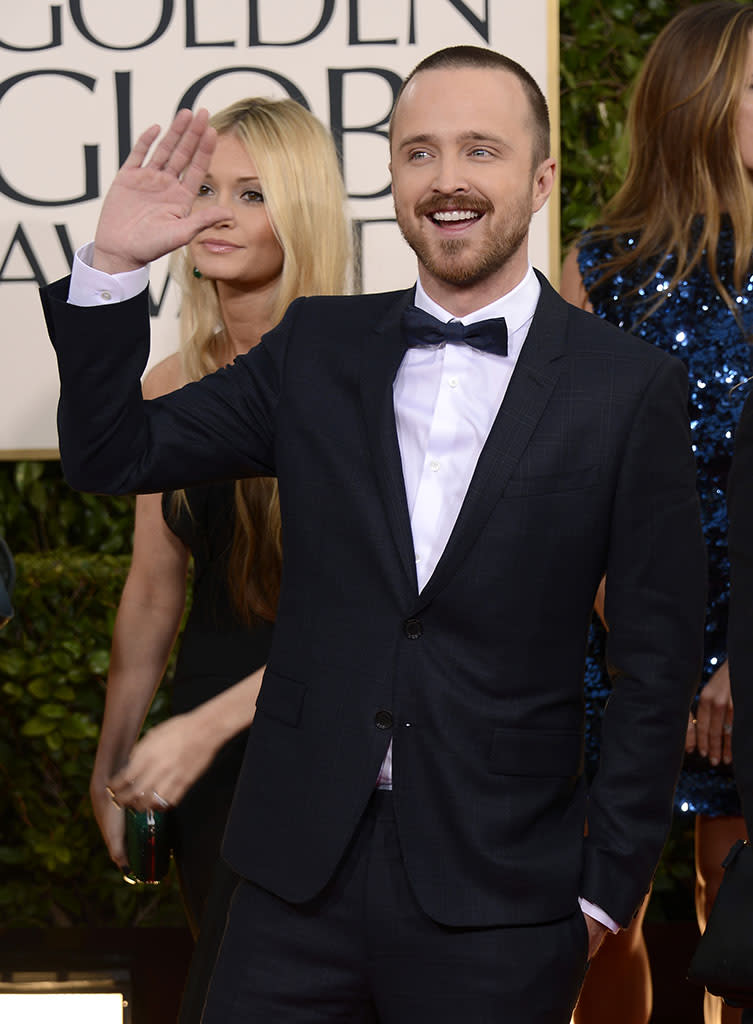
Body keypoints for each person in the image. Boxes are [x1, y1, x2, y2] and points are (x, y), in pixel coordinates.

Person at [41, 45, 707, 1024]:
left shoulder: (626, 387)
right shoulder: (318, 348)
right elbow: (111, 454)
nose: (447, 180)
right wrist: (109, 270)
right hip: (288, 881)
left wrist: (608, 882)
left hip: (502, 894)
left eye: (480, 149)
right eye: (419, 153)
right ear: (391, 177)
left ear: (541, 179)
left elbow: (658, 655)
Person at [86, 96, 350, 1021]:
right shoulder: (168, 382)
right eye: (206, 189)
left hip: (335, 726)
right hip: (204, 749)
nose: (219, 212)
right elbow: (152, 594)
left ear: (305, 209)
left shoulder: (363, 372)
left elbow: (384, 609)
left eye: (252, 192)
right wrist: (115, 751)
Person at [560, 5, 753, 1022]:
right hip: (617, 650)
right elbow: (562, 493)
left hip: (752, 655)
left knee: (743, 914)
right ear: (700, 101)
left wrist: (734, 665)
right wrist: (655, 659)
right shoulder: (596, 272)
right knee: (601, 915)